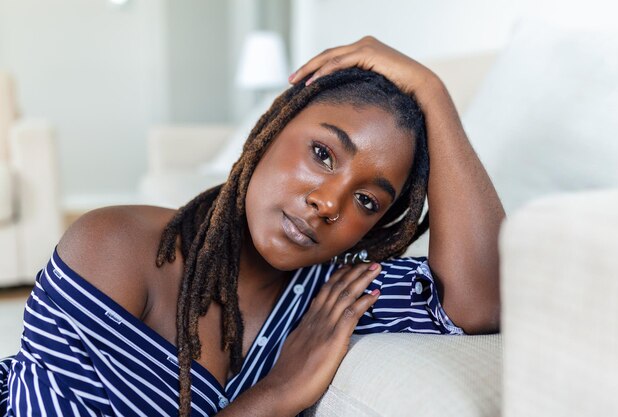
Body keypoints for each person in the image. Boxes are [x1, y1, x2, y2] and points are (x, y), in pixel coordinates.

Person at [0, 37, 504, 416]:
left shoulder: (335, 296)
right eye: (323, 153)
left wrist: (434, 94)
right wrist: (276, 394)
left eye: (367, 200)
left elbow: (484, 303)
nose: (328, 202)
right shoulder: (112, 248)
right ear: (270, 130)